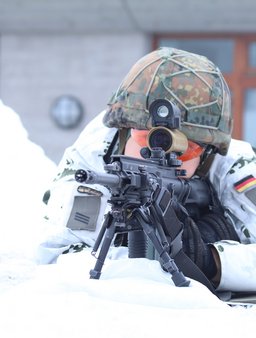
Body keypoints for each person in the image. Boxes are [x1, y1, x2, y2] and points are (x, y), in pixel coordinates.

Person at [37, 47, 256, 295]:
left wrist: (211, 260)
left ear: (208, 151)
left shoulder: (234, 166)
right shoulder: (93, 160)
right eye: (145, 137)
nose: (160, 153)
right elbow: (55, 254)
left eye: (186, 149)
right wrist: (141, 256)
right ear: (123, 130)